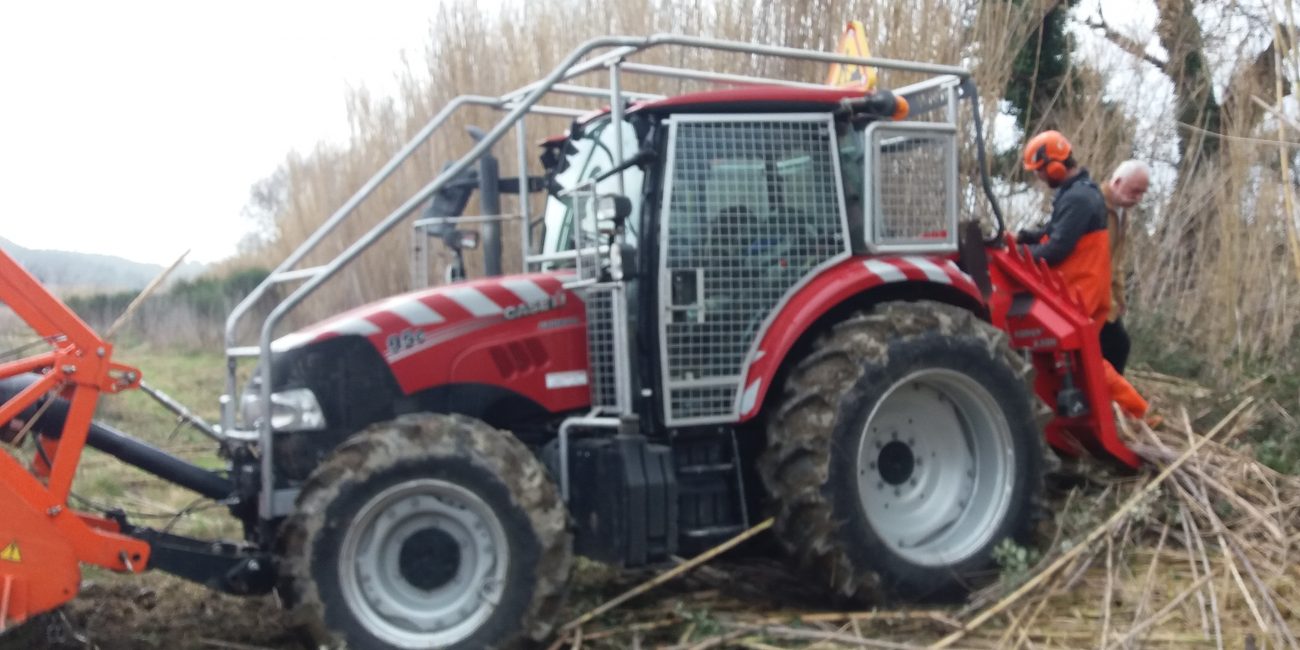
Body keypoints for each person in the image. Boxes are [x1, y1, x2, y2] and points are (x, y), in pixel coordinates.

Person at [1018, 130, 1150, 423]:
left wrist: (1019, 255)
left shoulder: (1078, 198)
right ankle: (1108, 413)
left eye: (1040, 171)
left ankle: (1138, 414)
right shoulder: (1078, 193)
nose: (1040, 177)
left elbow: (1056, 250)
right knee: (1092, 358)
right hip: (1080, 291)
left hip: (1079, 293)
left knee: (1089, 362)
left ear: (1054, 166)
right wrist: (1025, 238)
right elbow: (1055, 232)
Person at [1099, 160, 1150, 375]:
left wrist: (1120, 298)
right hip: (1090, 294)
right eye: (1135, 191)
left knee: (1117, 346)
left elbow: (1116, 262)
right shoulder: (1097, 206)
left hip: (1106, 295)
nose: (1138, 198)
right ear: (1118, 182)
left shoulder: (1120, 213)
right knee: (1117, 345)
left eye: (1142, 194)